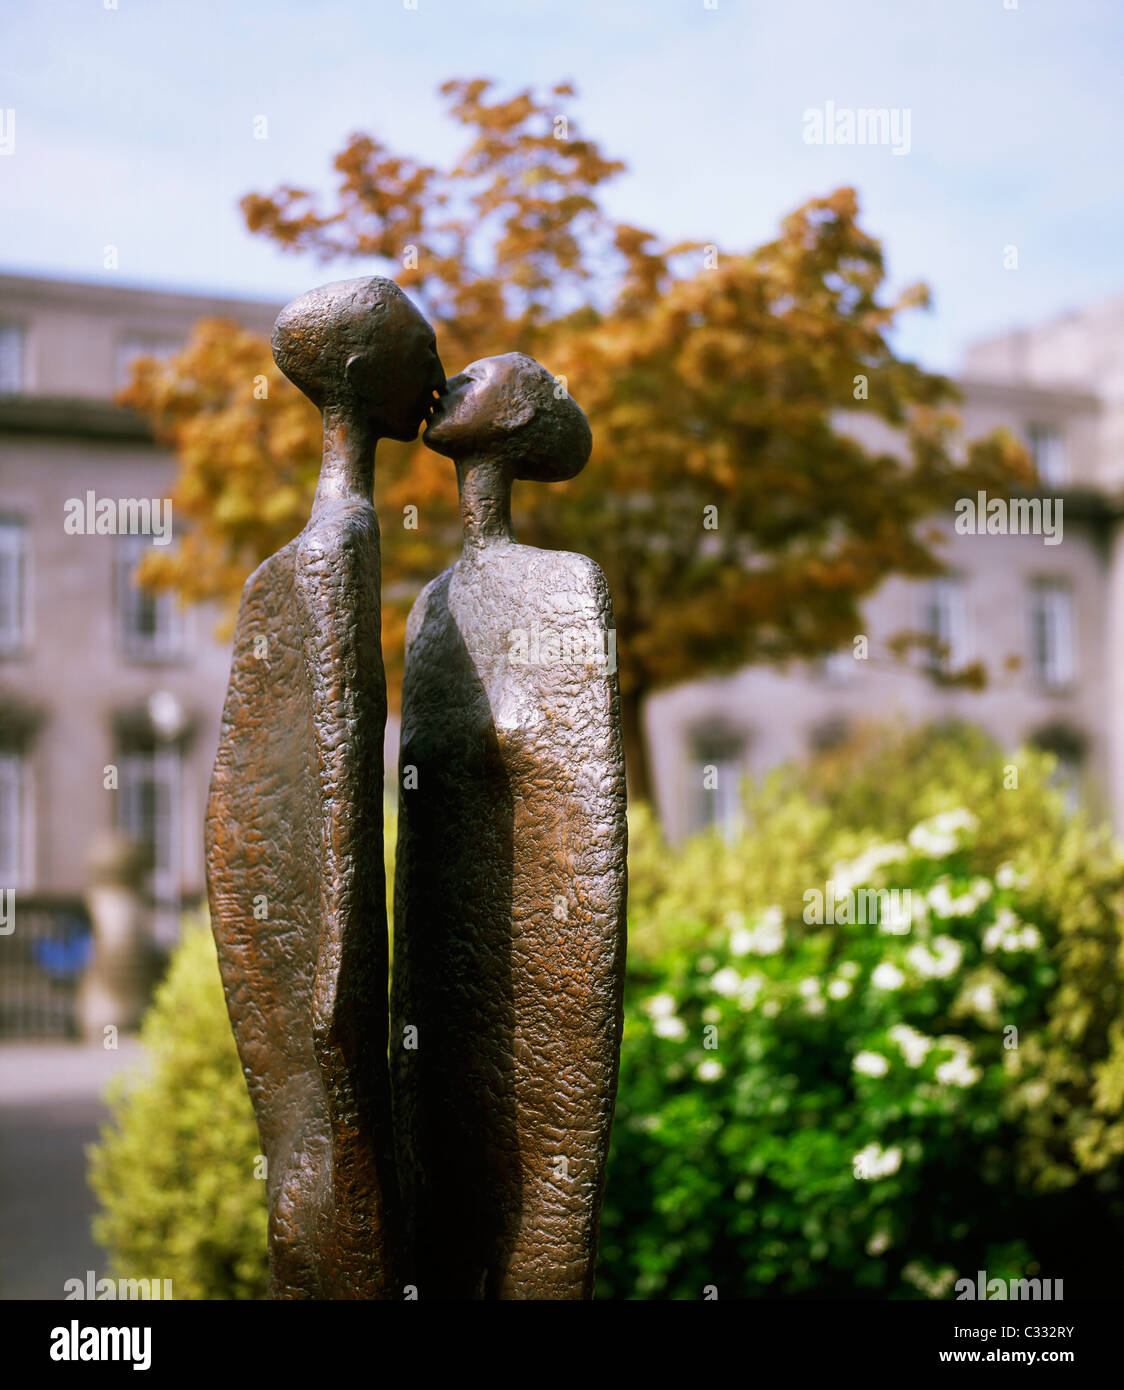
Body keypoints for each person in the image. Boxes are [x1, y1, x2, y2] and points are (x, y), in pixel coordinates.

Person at [207, 276, 443, 1299]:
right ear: (355, 375)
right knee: (343, 1205)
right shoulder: (340, 545)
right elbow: (330, 804)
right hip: (318, 978)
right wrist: (335, 1008)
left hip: (301, 965)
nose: (435, 380)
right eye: (417, 357)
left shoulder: (311, 552)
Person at [392, 352, 627, 1298]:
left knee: (532, 1219)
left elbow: (583, 823)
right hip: (443, 956)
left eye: (487, 374)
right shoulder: (427, 608)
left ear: (521, 417)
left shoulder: (568, 587)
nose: (453, 381)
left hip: (542, 973)